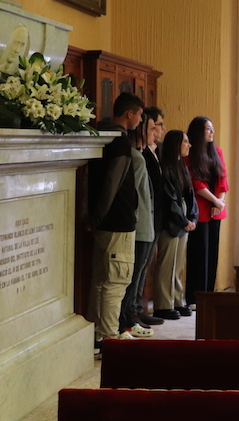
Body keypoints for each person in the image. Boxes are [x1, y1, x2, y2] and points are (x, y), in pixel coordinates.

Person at [84, 92, 144, 349]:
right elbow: (112, 184)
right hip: (117, 221)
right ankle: (109, 338)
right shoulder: (120, 142)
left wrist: (92, 217)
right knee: (116, 281)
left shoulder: (100, 135)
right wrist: (98, 215)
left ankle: (97, 336)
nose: (140, 121)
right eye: (139, 115)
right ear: (129, 114)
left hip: (102, 222)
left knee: (101, 280)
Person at [117, 117, 156, 338]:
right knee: (130, 279)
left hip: (145, 225)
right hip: (139, 226)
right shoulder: (135, 157)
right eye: (151, 128)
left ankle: (129, 318)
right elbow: (135, 195)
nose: (155, 132)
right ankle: (126, 320)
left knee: (138, 276)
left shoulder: (140, 156)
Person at [154, 130, 198, 319]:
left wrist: (193, 218)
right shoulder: (165, 166)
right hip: (171, 221)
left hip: (184, 219)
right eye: (185, 142)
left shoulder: (182, 166)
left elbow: (190, 195)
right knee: (167, 264)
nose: (189, 145)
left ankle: (178, 300)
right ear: (175, 144)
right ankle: (163, 304)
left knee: (179, 264)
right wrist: (183, 220)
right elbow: (169, 198)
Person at [185, 116, 229, 308]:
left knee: (212, 253)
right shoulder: (190, 154)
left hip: (215, 209)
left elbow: (223, 179)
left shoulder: (217, 152)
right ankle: (195, 297)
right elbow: (196, 183)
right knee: (198, 254)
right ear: (198, 132)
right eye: (207, 129)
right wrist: (216, 201)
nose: (212, 132)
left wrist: (220, 202)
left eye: (212, 128)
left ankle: (209, 295)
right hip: (200, 208)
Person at [136, 106, 166, 327]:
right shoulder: (142, 154)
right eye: (155, 126)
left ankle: (138, 308)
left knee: (145, 266)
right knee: (138, 268)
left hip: (155, 217)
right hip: (145, 217)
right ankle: (134, 310)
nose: (158, 131)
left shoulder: (156, 151)